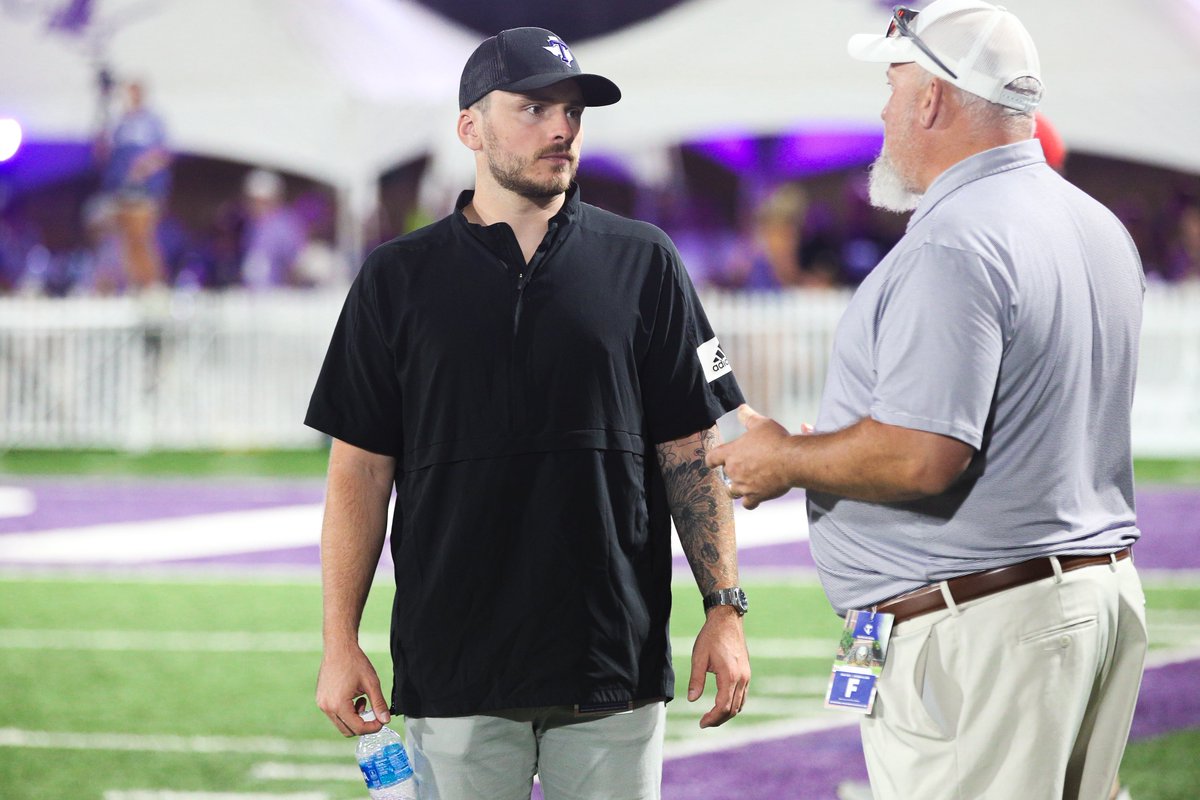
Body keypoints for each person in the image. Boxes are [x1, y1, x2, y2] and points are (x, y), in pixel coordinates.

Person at [707, 2, 1146, 798]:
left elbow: (923, 455)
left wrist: (786, 460)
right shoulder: (1093, 224)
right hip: (1084, 597)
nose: (881, 109)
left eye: (891, 82)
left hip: (989, 628)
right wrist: (835, 451)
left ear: (934, 99)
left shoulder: (957, 239)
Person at [307, 27, 750, 800]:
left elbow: (689, 448)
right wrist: (339, 641)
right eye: (534, 107)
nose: (562, 127)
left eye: (572, 109)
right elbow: (360, 471)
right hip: (454, 666)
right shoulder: (395, 279)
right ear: (469, 128)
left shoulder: (644, 261)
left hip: (610, 659)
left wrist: (726, 606)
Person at [95, 79, 172, 291]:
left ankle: (152, 285)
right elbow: (105, 155)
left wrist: (142, 169)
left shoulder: (151, 122)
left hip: (144, 193)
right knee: (125, 241)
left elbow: (163, 155)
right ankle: (135, 284)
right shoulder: (119, 123)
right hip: (123, 193)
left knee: (141, 238)